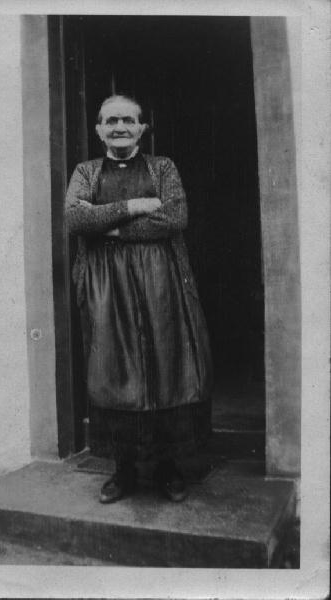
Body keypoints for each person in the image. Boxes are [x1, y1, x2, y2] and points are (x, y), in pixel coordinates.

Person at [66, 95, 212, 504]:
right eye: (111, 121)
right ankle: (123, 471)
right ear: (99, 129)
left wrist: (112, 228)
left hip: (162, 284)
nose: (120, 127)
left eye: (128, 121)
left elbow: (174, 217)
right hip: (105, 288)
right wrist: (136, 205)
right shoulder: (85, 172)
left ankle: (168, 468)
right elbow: (76, 219)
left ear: (142, 128)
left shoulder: (163, 168)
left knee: (165, 368)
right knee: (114, 370)